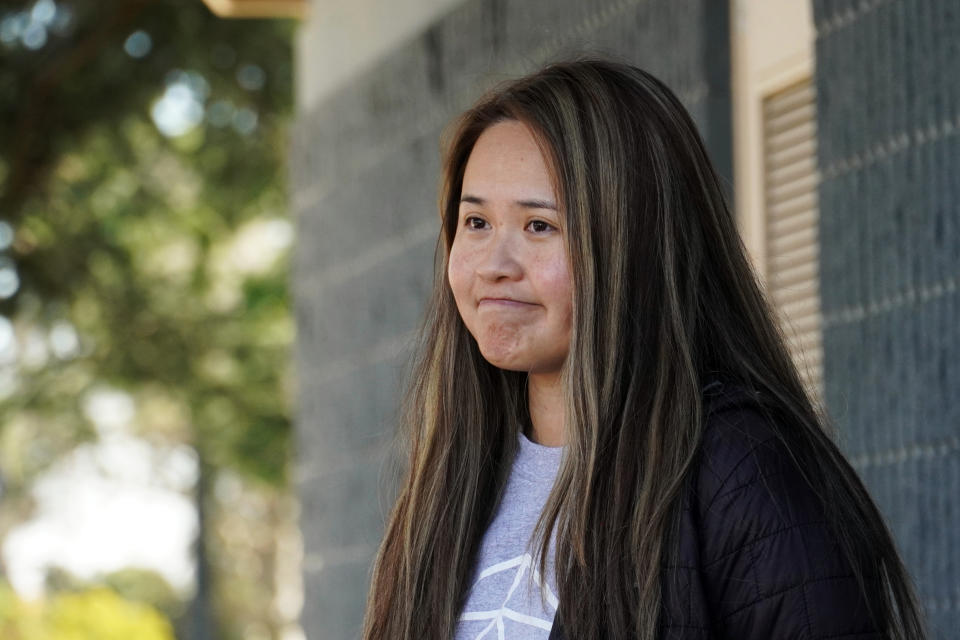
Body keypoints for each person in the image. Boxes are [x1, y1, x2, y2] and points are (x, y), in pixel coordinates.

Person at [360, 55, 927, 640]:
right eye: (475, 223)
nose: (493, 267)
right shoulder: (456, 476)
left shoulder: (740, 467)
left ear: (634, 241)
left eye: (540, 226)